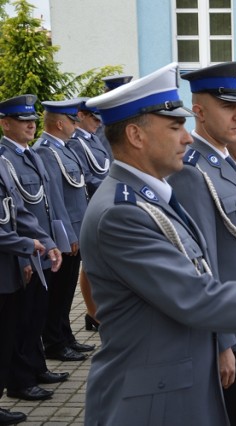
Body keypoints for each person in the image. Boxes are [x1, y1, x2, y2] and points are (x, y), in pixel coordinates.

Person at [81, 62, 236, 426]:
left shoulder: (151, 196)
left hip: (175, 387)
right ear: (136, 135)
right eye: (175, 127)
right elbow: (196, 295)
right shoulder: (123, 212)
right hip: (151, 402)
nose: (185, 137)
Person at [169, 62, 236, 425]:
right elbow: (201, 265)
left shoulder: (227, 162)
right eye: (228, 106)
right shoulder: (192, 171)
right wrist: (221, 342)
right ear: (198, 111)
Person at [0, 94, 68, 402]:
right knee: (21, 322)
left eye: (32, 120)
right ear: (5, 124)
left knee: (35, 315)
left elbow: (35, 207)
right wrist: (27, 247)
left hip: (35, 248)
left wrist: (51, 242)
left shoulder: (30, 155)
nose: (30, 125)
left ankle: (34, 368)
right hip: (18, 255)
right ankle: (21, 379)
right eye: (22, 120)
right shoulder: (6, 159)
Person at [32, 99, 98, 362]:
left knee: (67, 290)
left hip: (77, 229)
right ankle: (54, 342)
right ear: (60, 123)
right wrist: (66, 235)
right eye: (72, 120)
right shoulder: (47, 151)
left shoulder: (66, 148)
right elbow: (55, 196)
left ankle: (65, 335)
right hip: (66, 233)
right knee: (58, 292)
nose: (76, 124)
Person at [0, 150, 60, 425]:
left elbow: (17, 212)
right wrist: (26, 246)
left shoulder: (2, 164)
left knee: (7, 336)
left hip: (8, 272)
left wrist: (45, 241)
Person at [67, 99, 111, 332]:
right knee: (90, 264)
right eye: (94, 119)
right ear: (81, 115)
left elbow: (106, 166)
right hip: (91, 206)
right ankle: (93, 313)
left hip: (103, 203)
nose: (98, 123)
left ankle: (95, 312)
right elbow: (83, 177)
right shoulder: (75, 143)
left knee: (98, 263)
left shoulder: (92, 138)